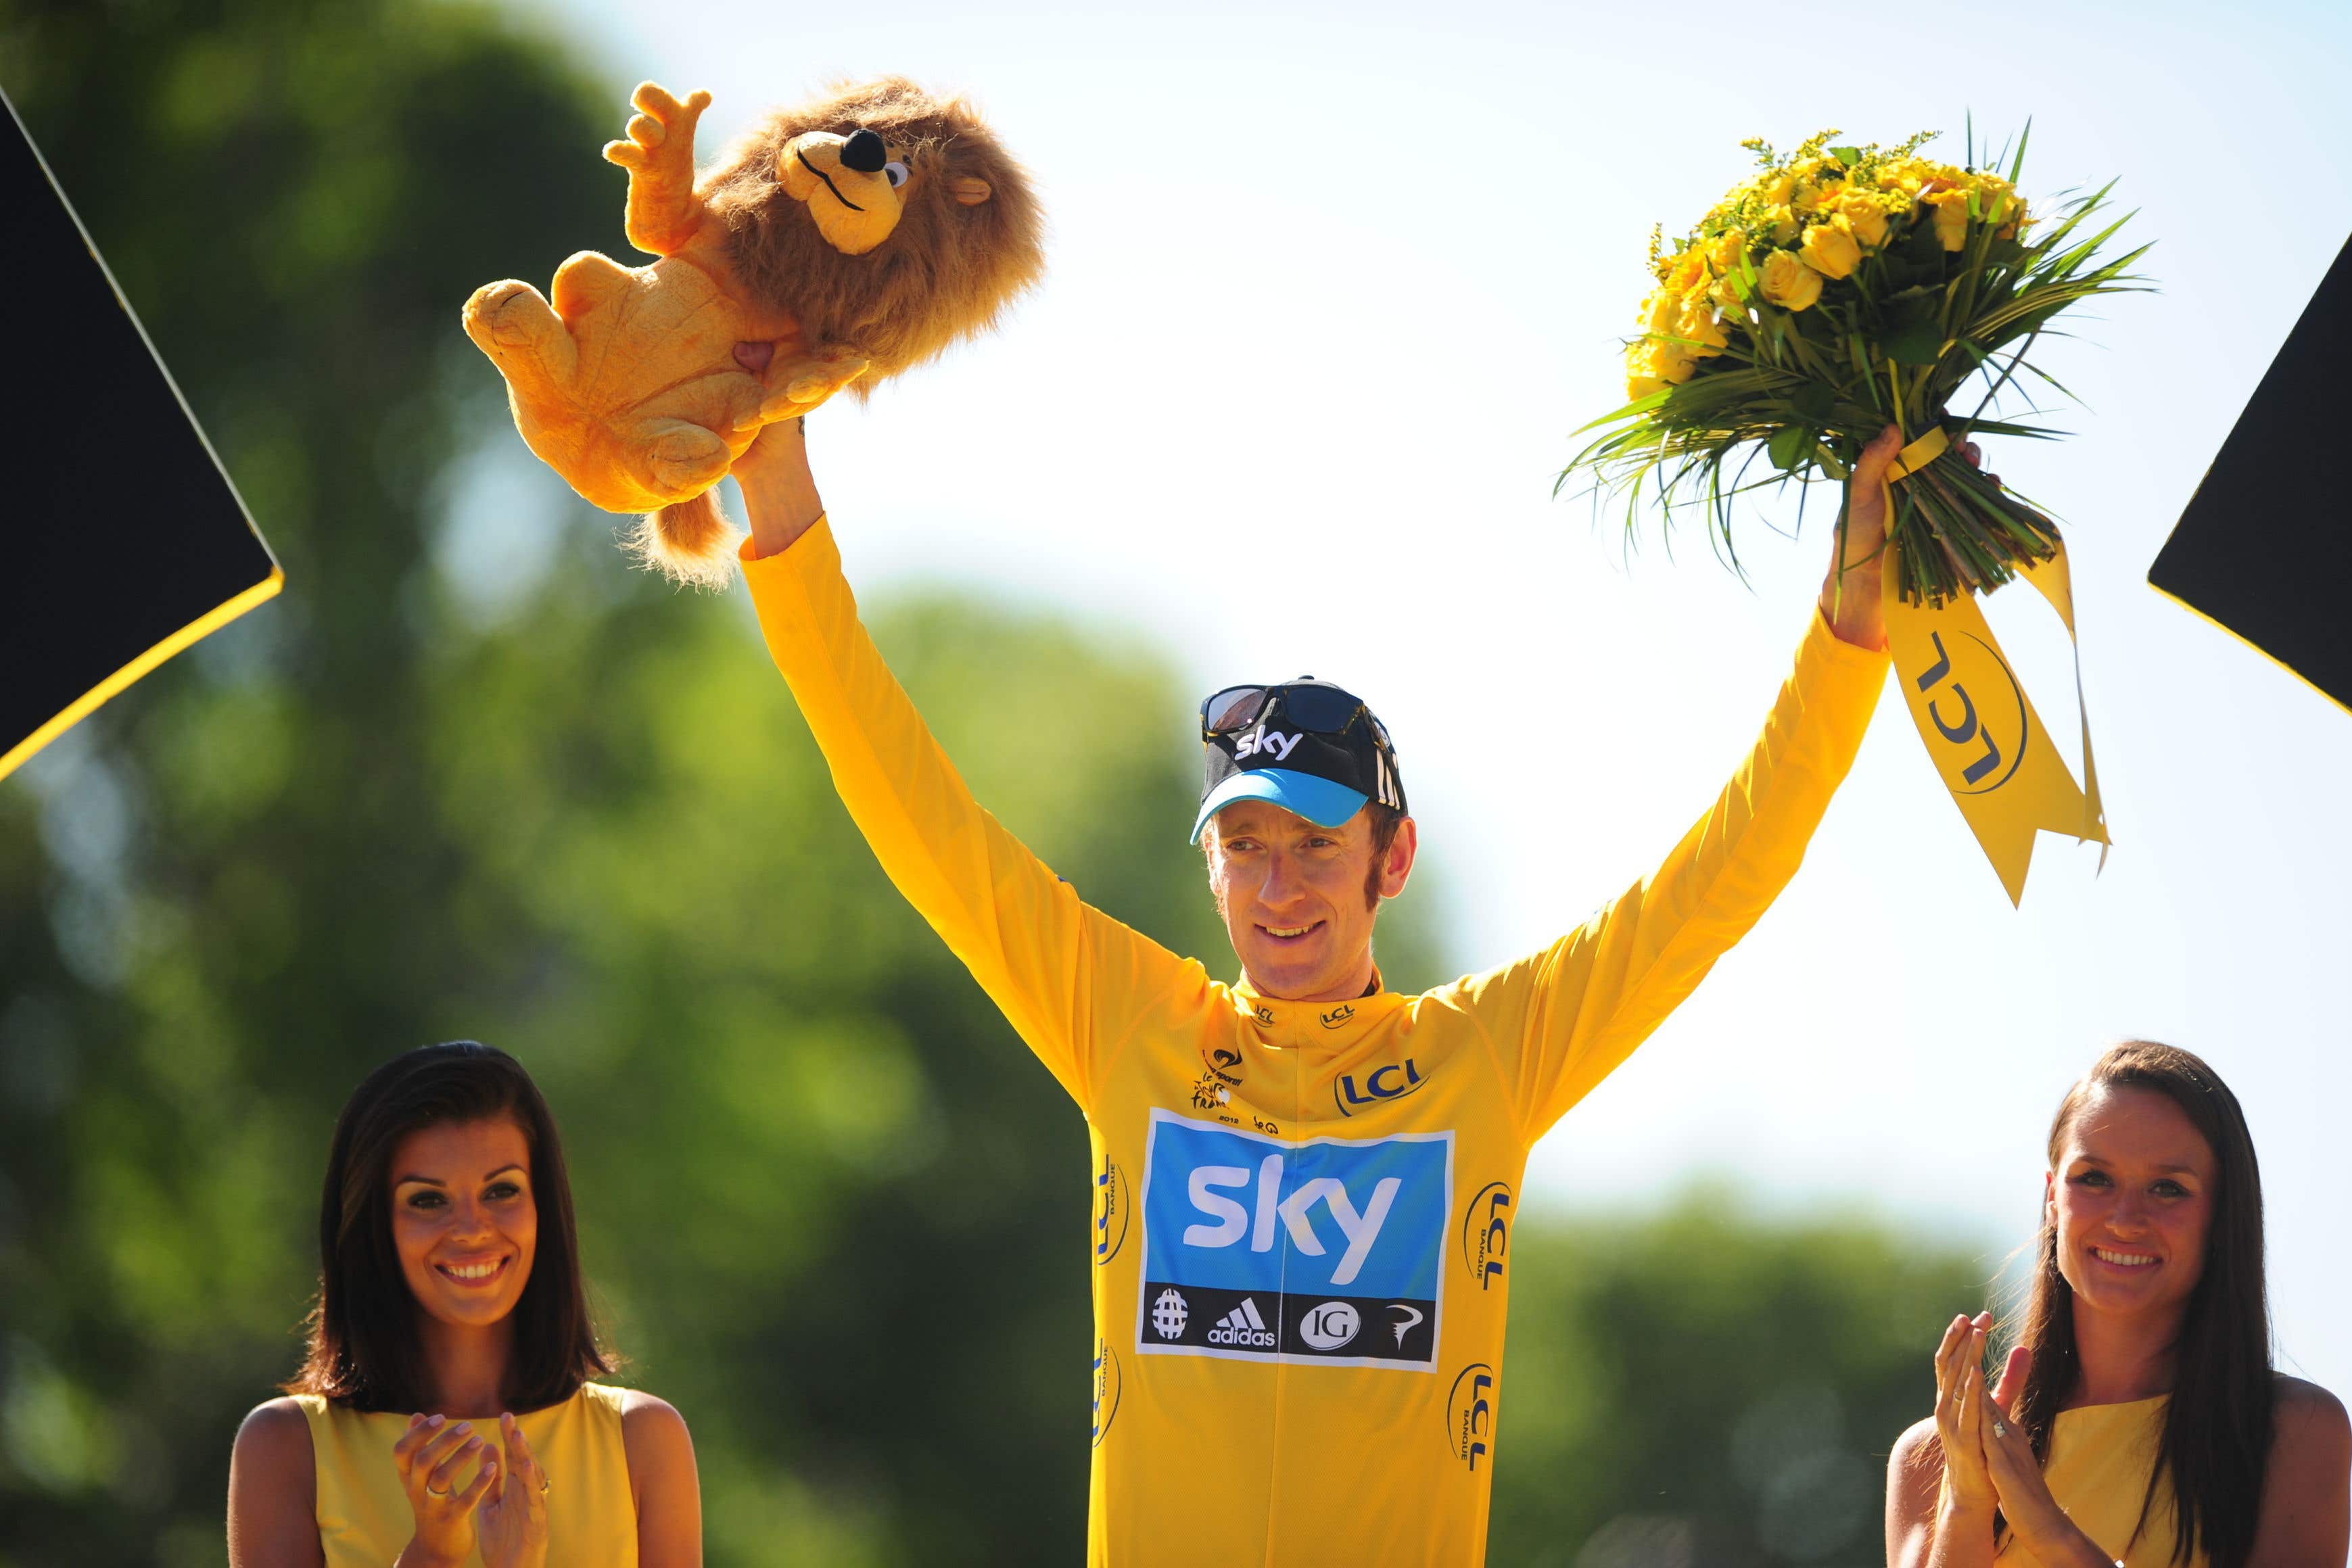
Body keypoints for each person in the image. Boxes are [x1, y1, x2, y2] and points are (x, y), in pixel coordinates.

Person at [720, 406, 1905, 1565]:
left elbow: (1719, 878)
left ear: (1392, 857)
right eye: (1244, 845)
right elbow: (916, 814)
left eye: (1315, 844)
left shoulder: (1483, 1051)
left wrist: (1849, 626)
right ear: (1209, 863)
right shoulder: (1130, 1021)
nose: (1276, 886)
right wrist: (780, 503)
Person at [227, 1042, 702, 1568]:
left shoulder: (643, 1441)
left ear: (544, 1206)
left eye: (502, 1190)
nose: (473, 1229)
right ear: (374, 1228)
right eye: (428, 1199)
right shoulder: (287, 1448)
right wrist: (431, 1556)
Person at [1885, 1041, 2350, 1568]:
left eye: (2168, 1188)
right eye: (2095, 1178)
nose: (2126, 1219)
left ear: (2221, 1215)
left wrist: (2048, 1529)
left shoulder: (2293, 1430)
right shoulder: (1929, 1457)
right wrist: (1967, 1503)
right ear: (2053, 1197)